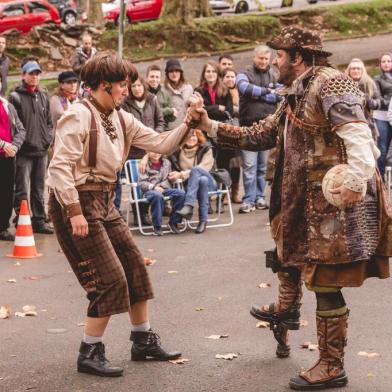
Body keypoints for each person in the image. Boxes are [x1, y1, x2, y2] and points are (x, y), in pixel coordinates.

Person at [188, 26, 391, 390]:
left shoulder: (332, 83)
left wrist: (355, 183)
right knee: (290, 255)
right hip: (303, 204)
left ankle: (332, 365)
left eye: (279, 55)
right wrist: (208, 125)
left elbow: (360, 136)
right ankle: (287, 309)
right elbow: (260, 134)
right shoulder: (295, 92)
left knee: (327, 283)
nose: (275, 60)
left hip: (335, 206)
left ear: (297, 56)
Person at [47, 52, 193, 377]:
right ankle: (89, 351)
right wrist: (73, 212)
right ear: (103, 85)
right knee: (110, 279)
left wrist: (189, 123)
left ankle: (143, 341)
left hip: (105, 199)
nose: (127, 90)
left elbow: (160, 144)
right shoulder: (78, 115)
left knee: (134, 267)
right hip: (77, 201)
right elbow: (58, 169)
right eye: (122, 85)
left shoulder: (120, 117)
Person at [8, 60, 54, 234]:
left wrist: (47, 138)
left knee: (39, 188)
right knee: (21, 188)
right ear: (23, 75)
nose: (35, 77)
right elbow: (14, 126)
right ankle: (22, 219)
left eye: (37, 73)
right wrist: (22, 144)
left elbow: (49, 122)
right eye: (31, 73)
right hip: (24, 152)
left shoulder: (43, 94)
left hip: (42, 150)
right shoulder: (15, 97)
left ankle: (39, 220)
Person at [236, 45, 281, 213]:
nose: (263, 61)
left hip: (267, 129)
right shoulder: (244, 74)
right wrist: (267, 92)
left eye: (266, 59)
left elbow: (279, 94)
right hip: (248, 128)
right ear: (254, 58)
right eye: (260, 58)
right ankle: (248, 200)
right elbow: (244, 88)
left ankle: (260, 197)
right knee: (249, 165)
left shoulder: (274, 75)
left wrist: (259, 94)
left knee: (262, 166)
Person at [121, 77, 165, 221]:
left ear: (144, 86)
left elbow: (160, 121)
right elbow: (125, 126)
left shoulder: (152, 99)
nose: (137, 89)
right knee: (138, 181)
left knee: (154, 179)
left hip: (153, 147)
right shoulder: (125, 103)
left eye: (139, 85)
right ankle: (140, 214)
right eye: (133, 86)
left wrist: (154, 136)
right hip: (134, 151)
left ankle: (156, 209)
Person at [171, 130, 217, 234]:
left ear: (198, 137)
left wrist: (182, 174)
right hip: (190, 186)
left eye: (194, 136)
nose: (191, 139)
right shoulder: (178, 151)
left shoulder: (206, 149)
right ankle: (203, 220)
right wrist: (146, 157)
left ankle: (189, 206)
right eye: (188, 136)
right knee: (202, 181)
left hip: (211, 183)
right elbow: (160, 155)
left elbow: (205, 167)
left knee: (198, 171)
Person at [0, 79, 26, 241]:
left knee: (6, 192)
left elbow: (20, 129)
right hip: (4, 148)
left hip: (7, 156)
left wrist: (14, 147)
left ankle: (2, 227)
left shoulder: (6, 104)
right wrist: (3, 144)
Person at [138, 151, 185, 235]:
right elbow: (141, 183)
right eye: (153, 151)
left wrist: (164, 184)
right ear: (147, 152)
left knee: (181, 193)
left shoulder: (167, 163)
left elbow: (168, 178)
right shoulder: (143, 164)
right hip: (150, 191)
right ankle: (157, 226)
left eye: (158, 151)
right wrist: (154, 187)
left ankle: (173, 222)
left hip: (164, 188)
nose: (156, 154)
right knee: (157, 195)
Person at [345, 58, 380, 140]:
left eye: (358, 68)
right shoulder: (344, 84)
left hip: (367, 123)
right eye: (353, 68)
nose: (356, 71)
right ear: (349, 71)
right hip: (349, 124)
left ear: (362, 70)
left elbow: (378, 103)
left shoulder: (369, 83)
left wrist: (368, 100)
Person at [222, 67, 242, 203]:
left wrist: (230, 110)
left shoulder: (239, 92)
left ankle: (235, 192)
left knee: (236, 164)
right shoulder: (221, 92)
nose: (230, 79)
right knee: (224, 163)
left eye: (232, 76)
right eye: (227, 76)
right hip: (223, 131)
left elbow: (243, 109)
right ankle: (225, 193)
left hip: (238, 130)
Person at [373, 53, 392, 178]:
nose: (386, 63)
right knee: (383, 148)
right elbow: (378, 100)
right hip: (382, 117)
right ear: (380, 64)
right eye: (383, 61)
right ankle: (380, 177)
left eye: (389, 61)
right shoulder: (377, 79)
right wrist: (391, 101)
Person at [162, 59, 193, 130]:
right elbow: (158, 111)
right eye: (171, 71)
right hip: (170, 130)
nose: (174, 74)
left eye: (176, 71)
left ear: (181, 72)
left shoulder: (189, 88)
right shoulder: (162, 90)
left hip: (187, 128)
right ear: (167, 74)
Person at [146, 64, 177, 129]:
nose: (154, 79)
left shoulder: (165, 92)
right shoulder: (142, 92)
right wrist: (168, 111)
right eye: (152, 76)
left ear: (160, 79)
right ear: (147, 78)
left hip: (163, 129)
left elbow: (173, 116)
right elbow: (148, 114)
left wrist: (171, 112)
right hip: (147, 130)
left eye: (157, 77)